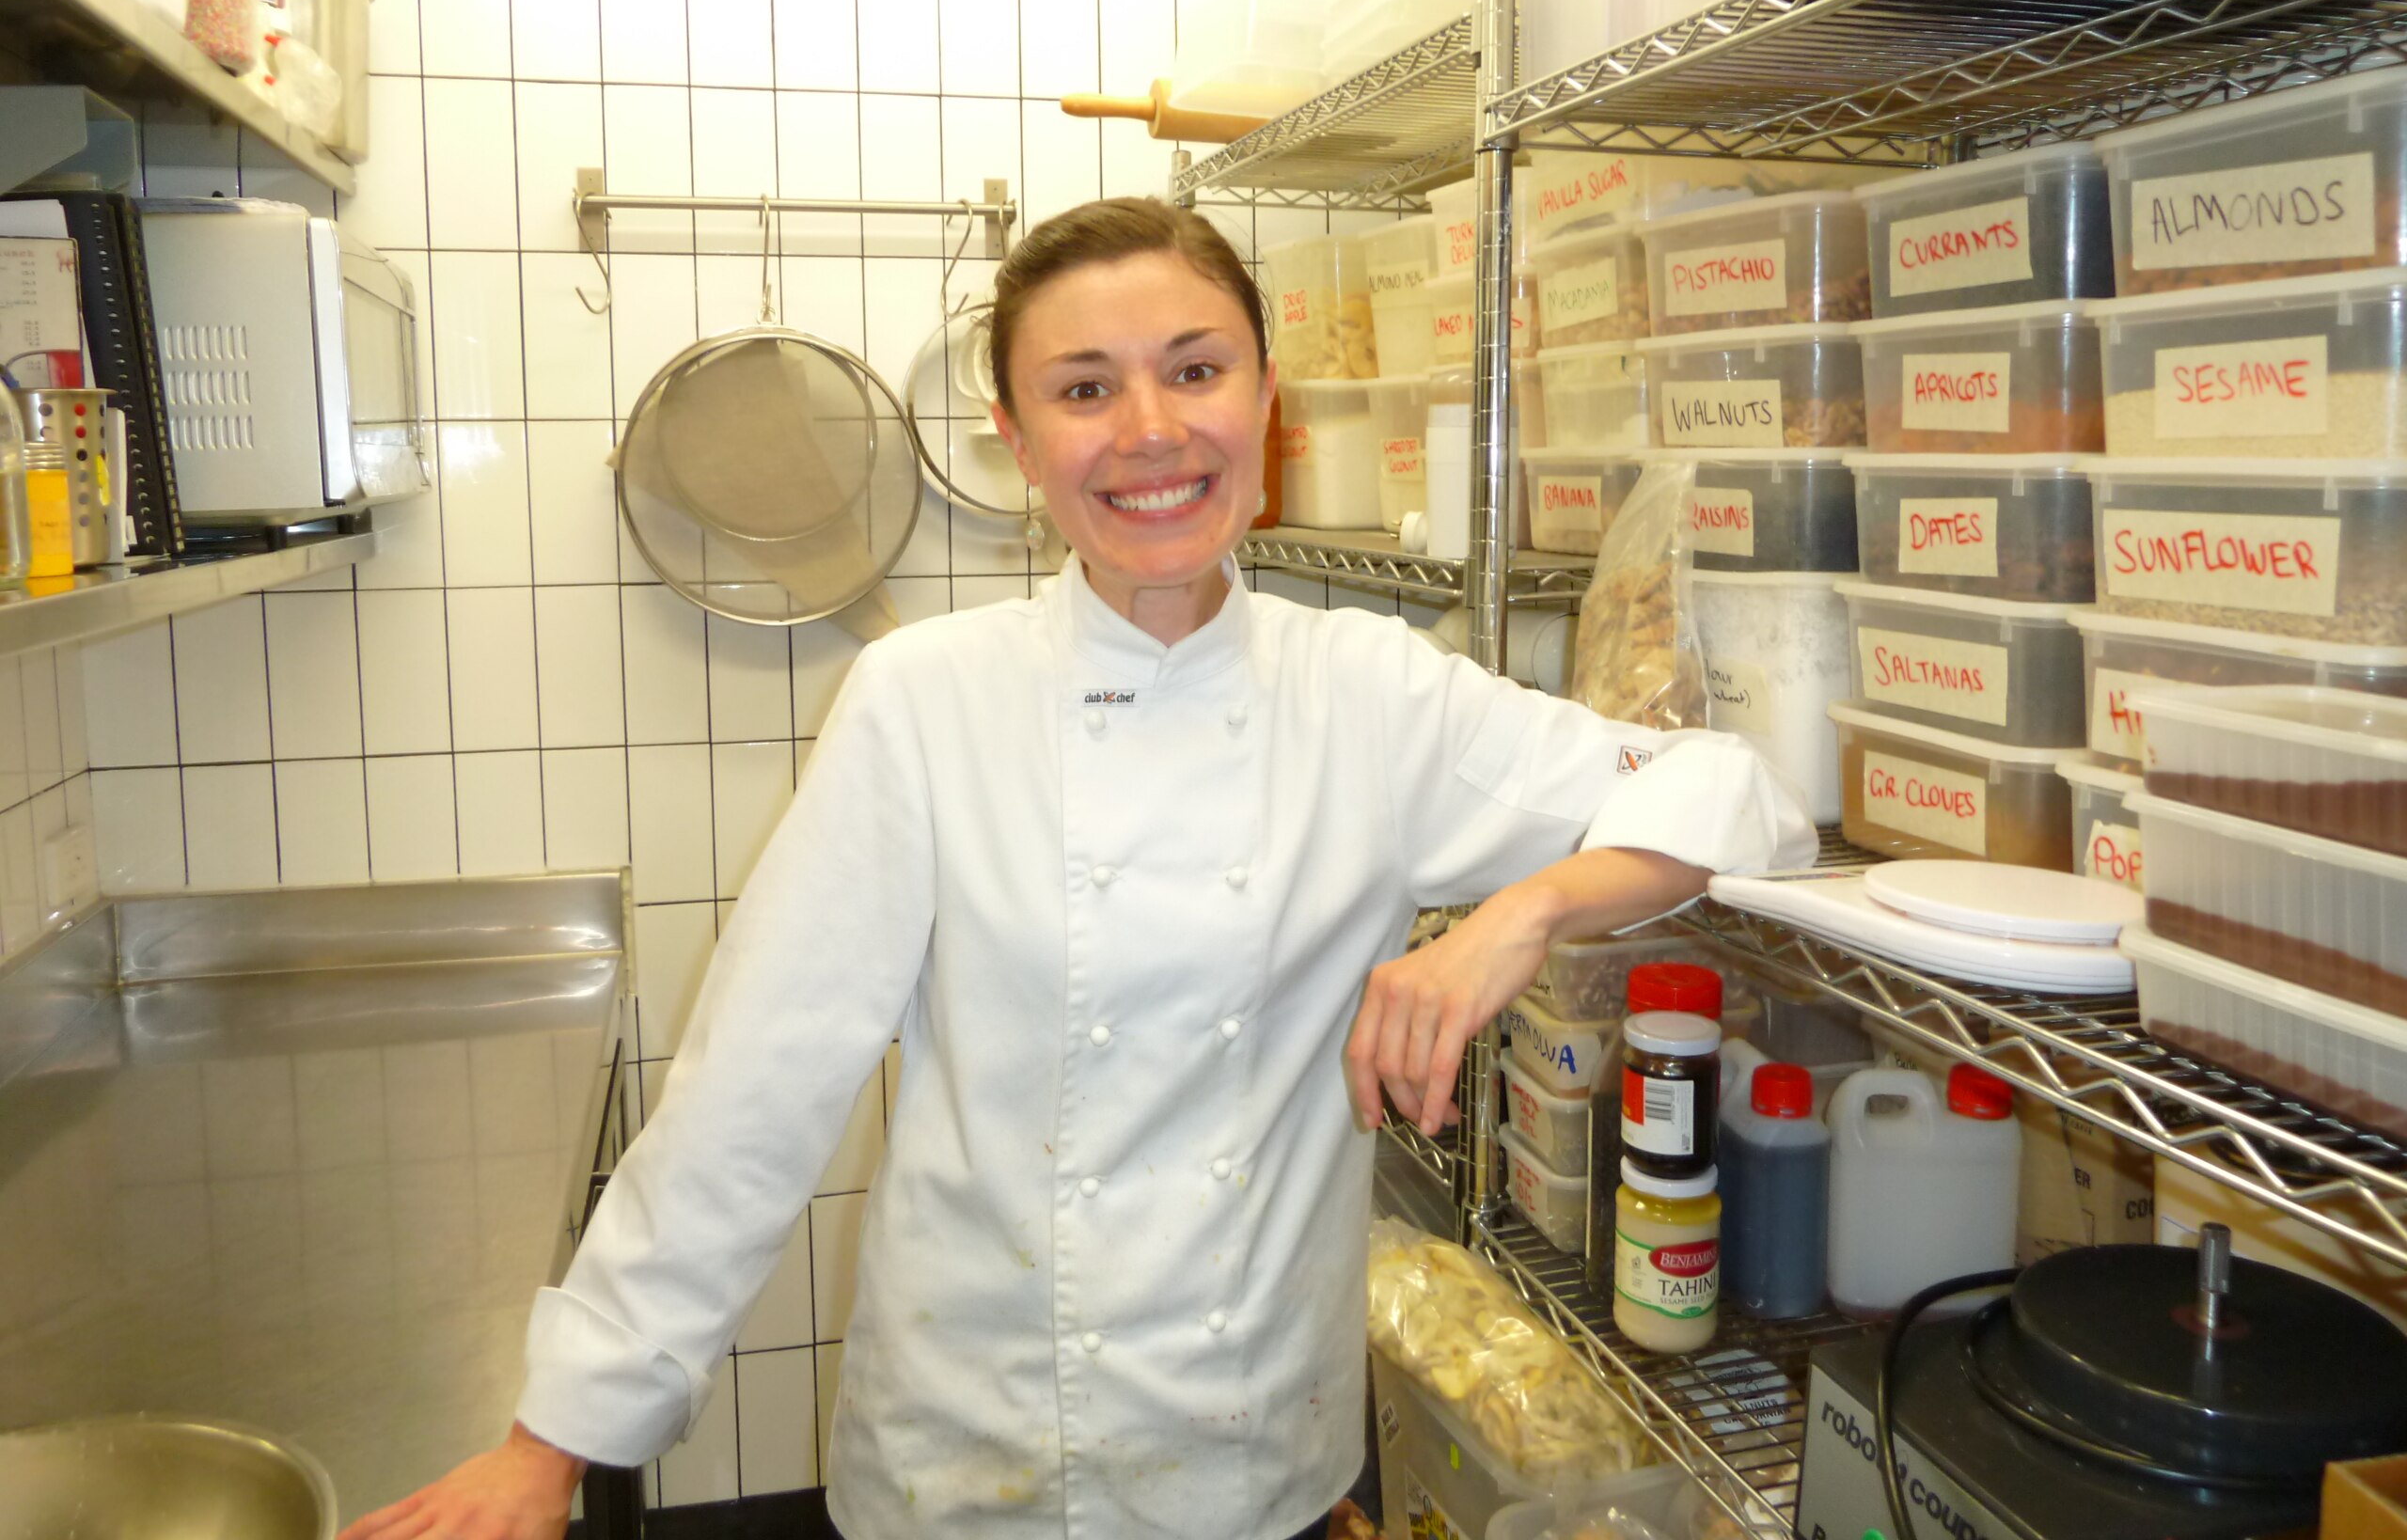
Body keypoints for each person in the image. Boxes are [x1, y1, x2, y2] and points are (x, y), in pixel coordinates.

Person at [338, 198, 1813, 1540]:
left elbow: (1738, 795)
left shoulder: (1372, 693)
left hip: (1259, 1465)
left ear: (1266, 396)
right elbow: (754, 1095)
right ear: (1018, 437)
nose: (1152, 431)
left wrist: (1526, 908)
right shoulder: (924, 704)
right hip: (970, 1465)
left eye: (1195, 368)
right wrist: (556, 1440)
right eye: (1085, 390)